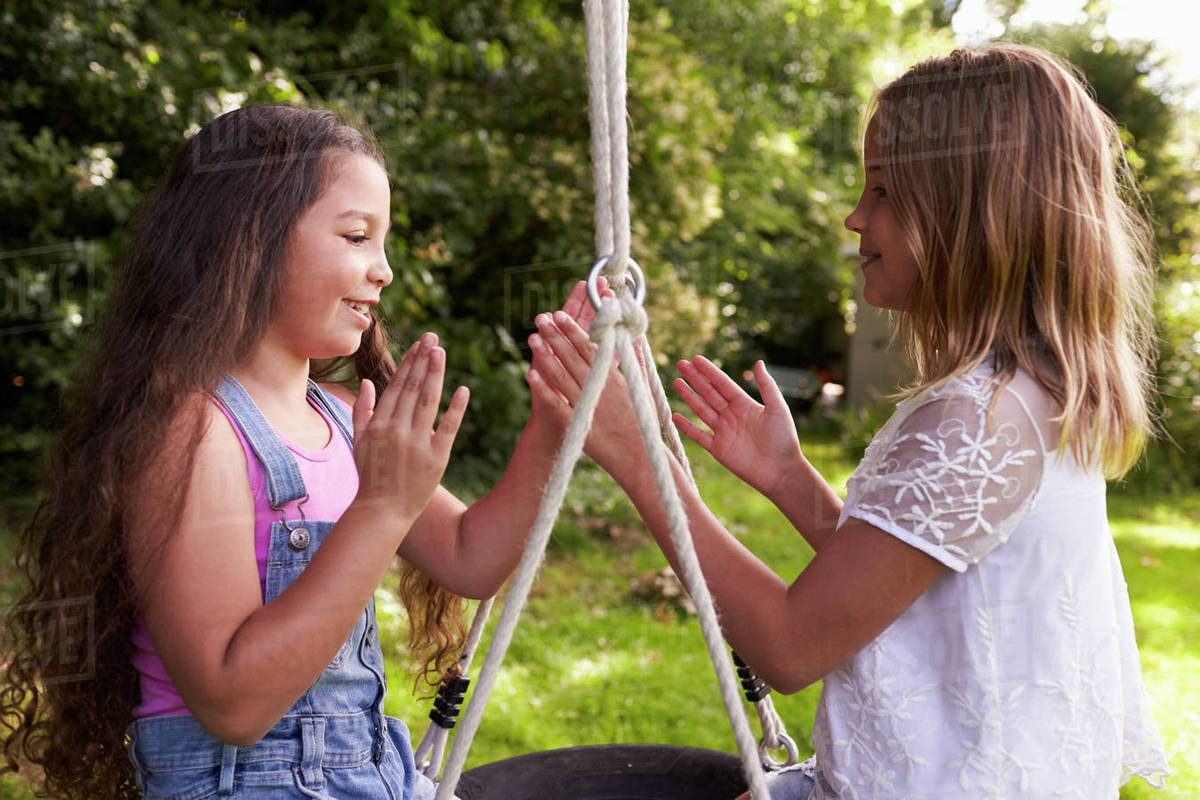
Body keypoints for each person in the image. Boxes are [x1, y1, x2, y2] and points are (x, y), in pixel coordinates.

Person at [528, 44, 1171, 798]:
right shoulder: (1026, 395)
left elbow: (794, 647)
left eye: (885, 192)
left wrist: (640, 462)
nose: (854, 216)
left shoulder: (979, 421)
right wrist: (791, 481)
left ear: (970, 212)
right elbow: (914, 586)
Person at [0, 104, 596, 799]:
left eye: (384, 242)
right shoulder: (192, 430)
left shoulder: (342, 417)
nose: (385, 271)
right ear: (247, 241)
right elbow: (232, 705)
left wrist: (551, 427)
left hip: (372, 779)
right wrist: (381, 509)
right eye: (356, 236)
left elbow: (475, 560)